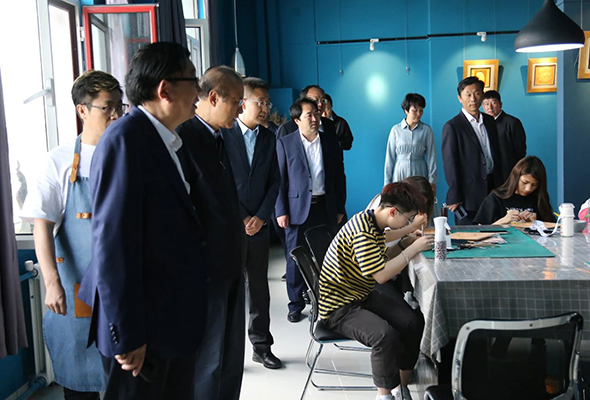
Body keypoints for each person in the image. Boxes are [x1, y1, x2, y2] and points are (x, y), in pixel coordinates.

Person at [77, 42, 208, 400]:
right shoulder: (126, 140)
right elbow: (112, 244)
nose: (199, 92)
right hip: (141, 331)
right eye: (193, 80)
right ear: (165, 89)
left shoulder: (164, 140)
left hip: (167, 320)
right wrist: (128, 334)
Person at [20, 70, 124, 400]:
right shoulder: (59, 161)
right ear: (82, 110)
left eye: (119, 106)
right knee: (81, 384)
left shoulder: (129, 155)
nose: (116, 115)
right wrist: (52, 283)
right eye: (107, 107)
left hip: (124, 287)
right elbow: (41, 225)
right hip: (78, 291)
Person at [319, 182, 432, 400]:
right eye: (408, 218)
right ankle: (384, 395)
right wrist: (412, 248)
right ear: (393, 212)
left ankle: (401, 388)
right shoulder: (363, 230)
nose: (408, 223)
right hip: (339, 306)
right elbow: (381, 275)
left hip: (361, 294)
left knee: (412, 322)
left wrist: (405, 240)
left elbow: (383, 251)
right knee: (384, 336)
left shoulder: (371, 222)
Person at [175, 65, 245, 400]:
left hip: (230, 263)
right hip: (206, 270)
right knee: (209, 360)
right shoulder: (183, 139)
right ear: (214, 97)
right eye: (237, 102)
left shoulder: (222, 136)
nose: (240, 110)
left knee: (231, 356)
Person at [221, 77, 282, 370]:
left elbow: (275, 182)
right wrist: (242, 217)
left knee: (259, 291)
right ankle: (226, 353)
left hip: (259, 225)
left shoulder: (269, 138)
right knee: (230, 292)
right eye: (261, 102)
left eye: (267, 103)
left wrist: (260, 216)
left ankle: (261, 346)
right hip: (231, 228)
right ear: (243, 103)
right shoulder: (224, 134)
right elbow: (220, 182)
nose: (266, 108)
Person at [275, 98, 346, 323]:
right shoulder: (285, 143)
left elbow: (339, 177)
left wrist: (340, 207)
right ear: (297, 120)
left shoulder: (330, 141)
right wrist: (280, 211)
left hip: (325, 206)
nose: (315, 118)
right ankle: (295, 304)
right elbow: (279, 180)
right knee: (295, 258)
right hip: (296, 209)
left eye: (316, 114)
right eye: (309, 115)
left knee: (327, 257)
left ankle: (326, 302)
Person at [442, 77, 504, 225]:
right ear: (460, 98)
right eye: (468, 94)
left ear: (482, 95)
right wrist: (454, 195)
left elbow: (497, 154)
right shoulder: (453, 126)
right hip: (468, 194)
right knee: (470, 235)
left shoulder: (490, 121)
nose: (473, 99)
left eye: (477, 93)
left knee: (496, 232)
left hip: (493, 188)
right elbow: (450, 162)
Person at [473, 156, 555, 225]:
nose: (528, 189)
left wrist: (536, 223)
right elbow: (479, 230)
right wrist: (503, 221)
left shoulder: (538, 199)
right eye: (524, 182)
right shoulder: (496, 198)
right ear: (516, 178)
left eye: (534, 185)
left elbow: (553, 228)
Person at [384, 93, 437, 194]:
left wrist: (432, 181)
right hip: (400, 172)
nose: (418, 114)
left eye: (421, 110)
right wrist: (387, 183)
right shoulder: (395, 130)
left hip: (419, 172)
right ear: (406, 110)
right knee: (400, 200)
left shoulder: (426, 130)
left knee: (420, 200)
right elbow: (389, 159)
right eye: (415, 110)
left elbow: (432, 158)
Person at [482, 90, 527, 174]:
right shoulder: (482, 124)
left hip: (509, 171)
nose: (490, 107)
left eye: (493, 103)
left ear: (500, 104)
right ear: (483, 106)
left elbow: (520, 150)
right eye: (486, 104)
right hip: (489, 172)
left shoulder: (512, 122)